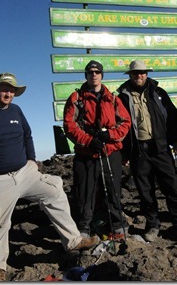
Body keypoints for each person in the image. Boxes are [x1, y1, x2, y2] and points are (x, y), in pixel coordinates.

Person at [0, 72, 99, 282]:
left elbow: (27, 135)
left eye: (12, 90)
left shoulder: (16, 110)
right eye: (4, 88)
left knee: (54, 190)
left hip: (25, 173)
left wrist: (32, 160)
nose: (8, 93)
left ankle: (73, 241)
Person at [117, 60, 177, 242]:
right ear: (130, 75)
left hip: (161, 147)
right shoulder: (121, 97)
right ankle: (153, 225)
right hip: (138, 151)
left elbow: (171, 117)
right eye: (135, 73)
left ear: (147, 74)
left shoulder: (158, 93)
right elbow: (120, 126)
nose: (139, 75)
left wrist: (176, 140)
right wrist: (124, 152)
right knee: (145, 190)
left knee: (173, 186)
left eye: (142, 72)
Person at [63, 60, 131, 239]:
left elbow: (125, 123)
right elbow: (69, 125)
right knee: (85, 192)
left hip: (110, 152)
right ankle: (85, 228)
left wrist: (109, 135)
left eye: (97, 72)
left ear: (102, 75)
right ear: (86, 75)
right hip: (86, 153)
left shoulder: (113, 98)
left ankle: (116, 225)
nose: (94, 75)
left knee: (113, 189)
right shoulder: (76, 98)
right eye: (90, 72)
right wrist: (88, 140)